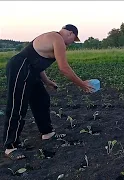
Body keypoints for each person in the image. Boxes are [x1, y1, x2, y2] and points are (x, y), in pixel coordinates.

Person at [3, 24, 94, 160]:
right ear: (70, 33)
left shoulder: (53, 39)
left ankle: (47, 133)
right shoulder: (57, 39)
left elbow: (37, 63)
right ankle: (10, 147)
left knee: (42, 100)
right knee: (18, 106)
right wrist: (82, 84)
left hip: (31, 71)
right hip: (19, 68)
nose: (71, 43)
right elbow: (64, 68)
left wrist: (47, 81)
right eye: (73, 39)